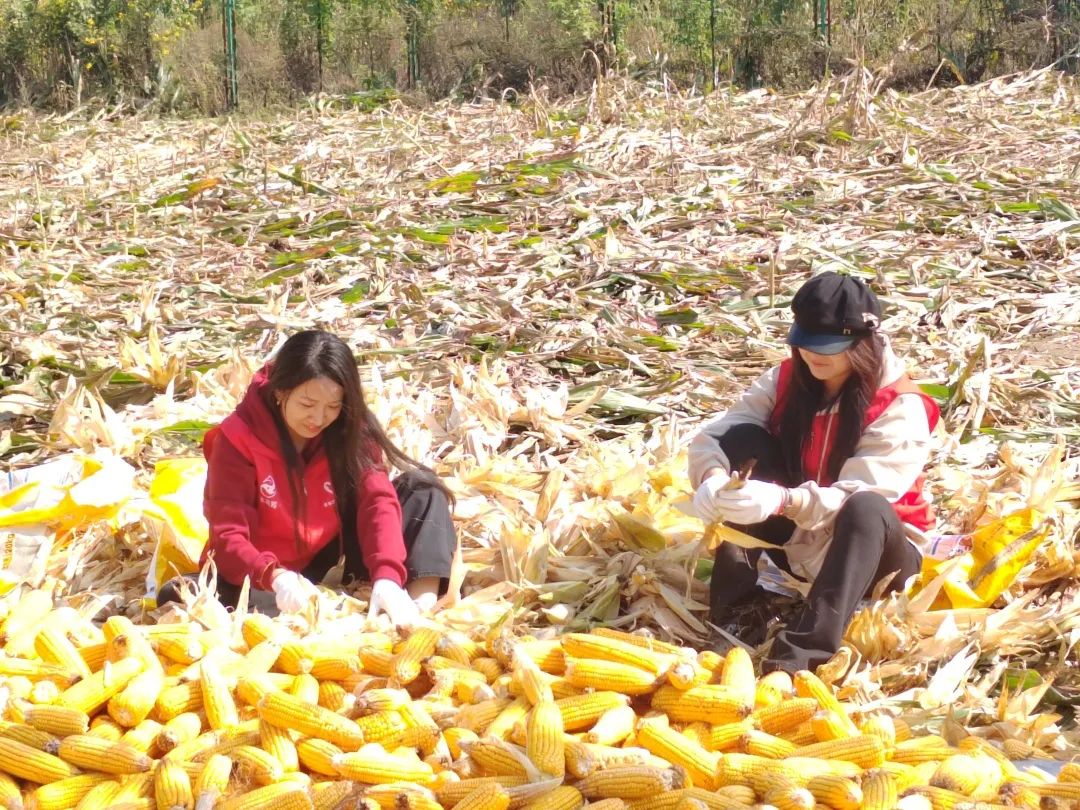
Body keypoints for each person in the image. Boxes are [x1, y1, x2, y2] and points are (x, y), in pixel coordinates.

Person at [689, 272, 939, 673]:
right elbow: (719, 433)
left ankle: (800, 657)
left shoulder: (900, 406)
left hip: (872, 557)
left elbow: (859, 491)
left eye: (828, 347)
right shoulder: (785, 379)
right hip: (799, 534)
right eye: (805, 342)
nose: (812, 355)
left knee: (866, 507)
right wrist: (712, 478)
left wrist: (783, 500)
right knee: (743, 440)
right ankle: (735, 612)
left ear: (865, 341)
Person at [157, 330, 457, 625]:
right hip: (265, 576)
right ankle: (294, 607)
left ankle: (417, 608)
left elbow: (376, 501)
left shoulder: (350, 427)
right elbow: (228, 536)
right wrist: (274, 576)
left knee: (423, 489)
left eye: (333, 406)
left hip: (332, 559)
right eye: (307, 404)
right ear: (280, 391)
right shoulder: (237, 439)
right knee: (180, 594)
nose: (319, 419)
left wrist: (387, 576)